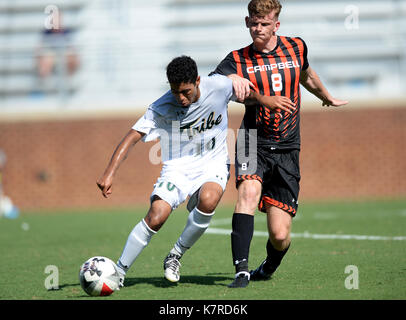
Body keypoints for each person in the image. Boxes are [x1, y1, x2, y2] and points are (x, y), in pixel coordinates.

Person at [211, 0, 348, 288]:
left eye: (264, 23)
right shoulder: (236, 58)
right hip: (251, 139)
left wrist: (326, 96)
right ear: (247, 22)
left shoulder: (297, 47)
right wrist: (231, 77)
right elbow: (213, 82)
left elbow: (306, 75)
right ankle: (241, 271)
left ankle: (267, 267)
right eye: (253, 23)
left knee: (280, 234)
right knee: (247, 193)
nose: (258, 28)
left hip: (287, 146)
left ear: (276, 24)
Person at [96, 56, 237, 286]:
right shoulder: (162, 106)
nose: (181, 98)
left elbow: (250, 91)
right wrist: (109, 172)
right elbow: (132, 136)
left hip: (214, 162)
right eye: (175, 92)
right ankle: (119, 271)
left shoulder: (220, 86)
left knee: (209, 200)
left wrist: (266, 99)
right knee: (156, 215)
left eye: (186, 91)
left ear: (199, 81)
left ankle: (176, 255)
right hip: (178, 168)